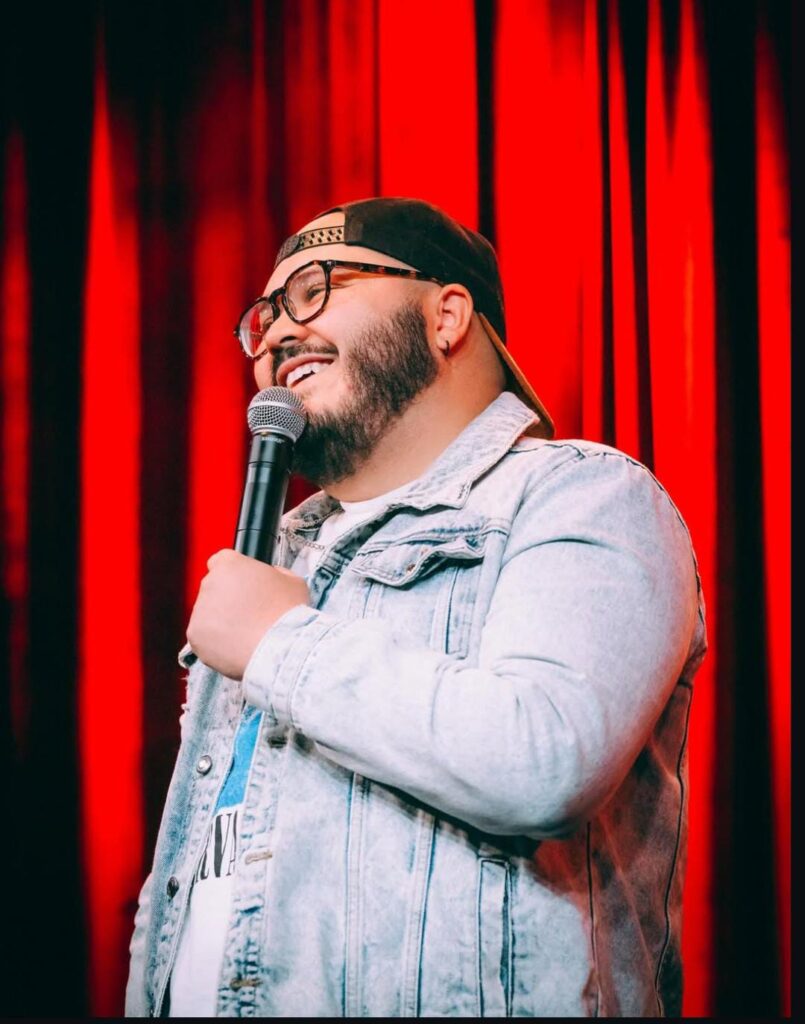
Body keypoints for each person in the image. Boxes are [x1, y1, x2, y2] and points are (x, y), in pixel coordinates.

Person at [125, 197, 706, 1018]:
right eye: (264, 315)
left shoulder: (582, 495)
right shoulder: (277, 560)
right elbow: (194, 866)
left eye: (315, 289)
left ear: (446, 315)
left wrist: (280, 643)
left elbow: (545, 760)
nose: (278, 331)